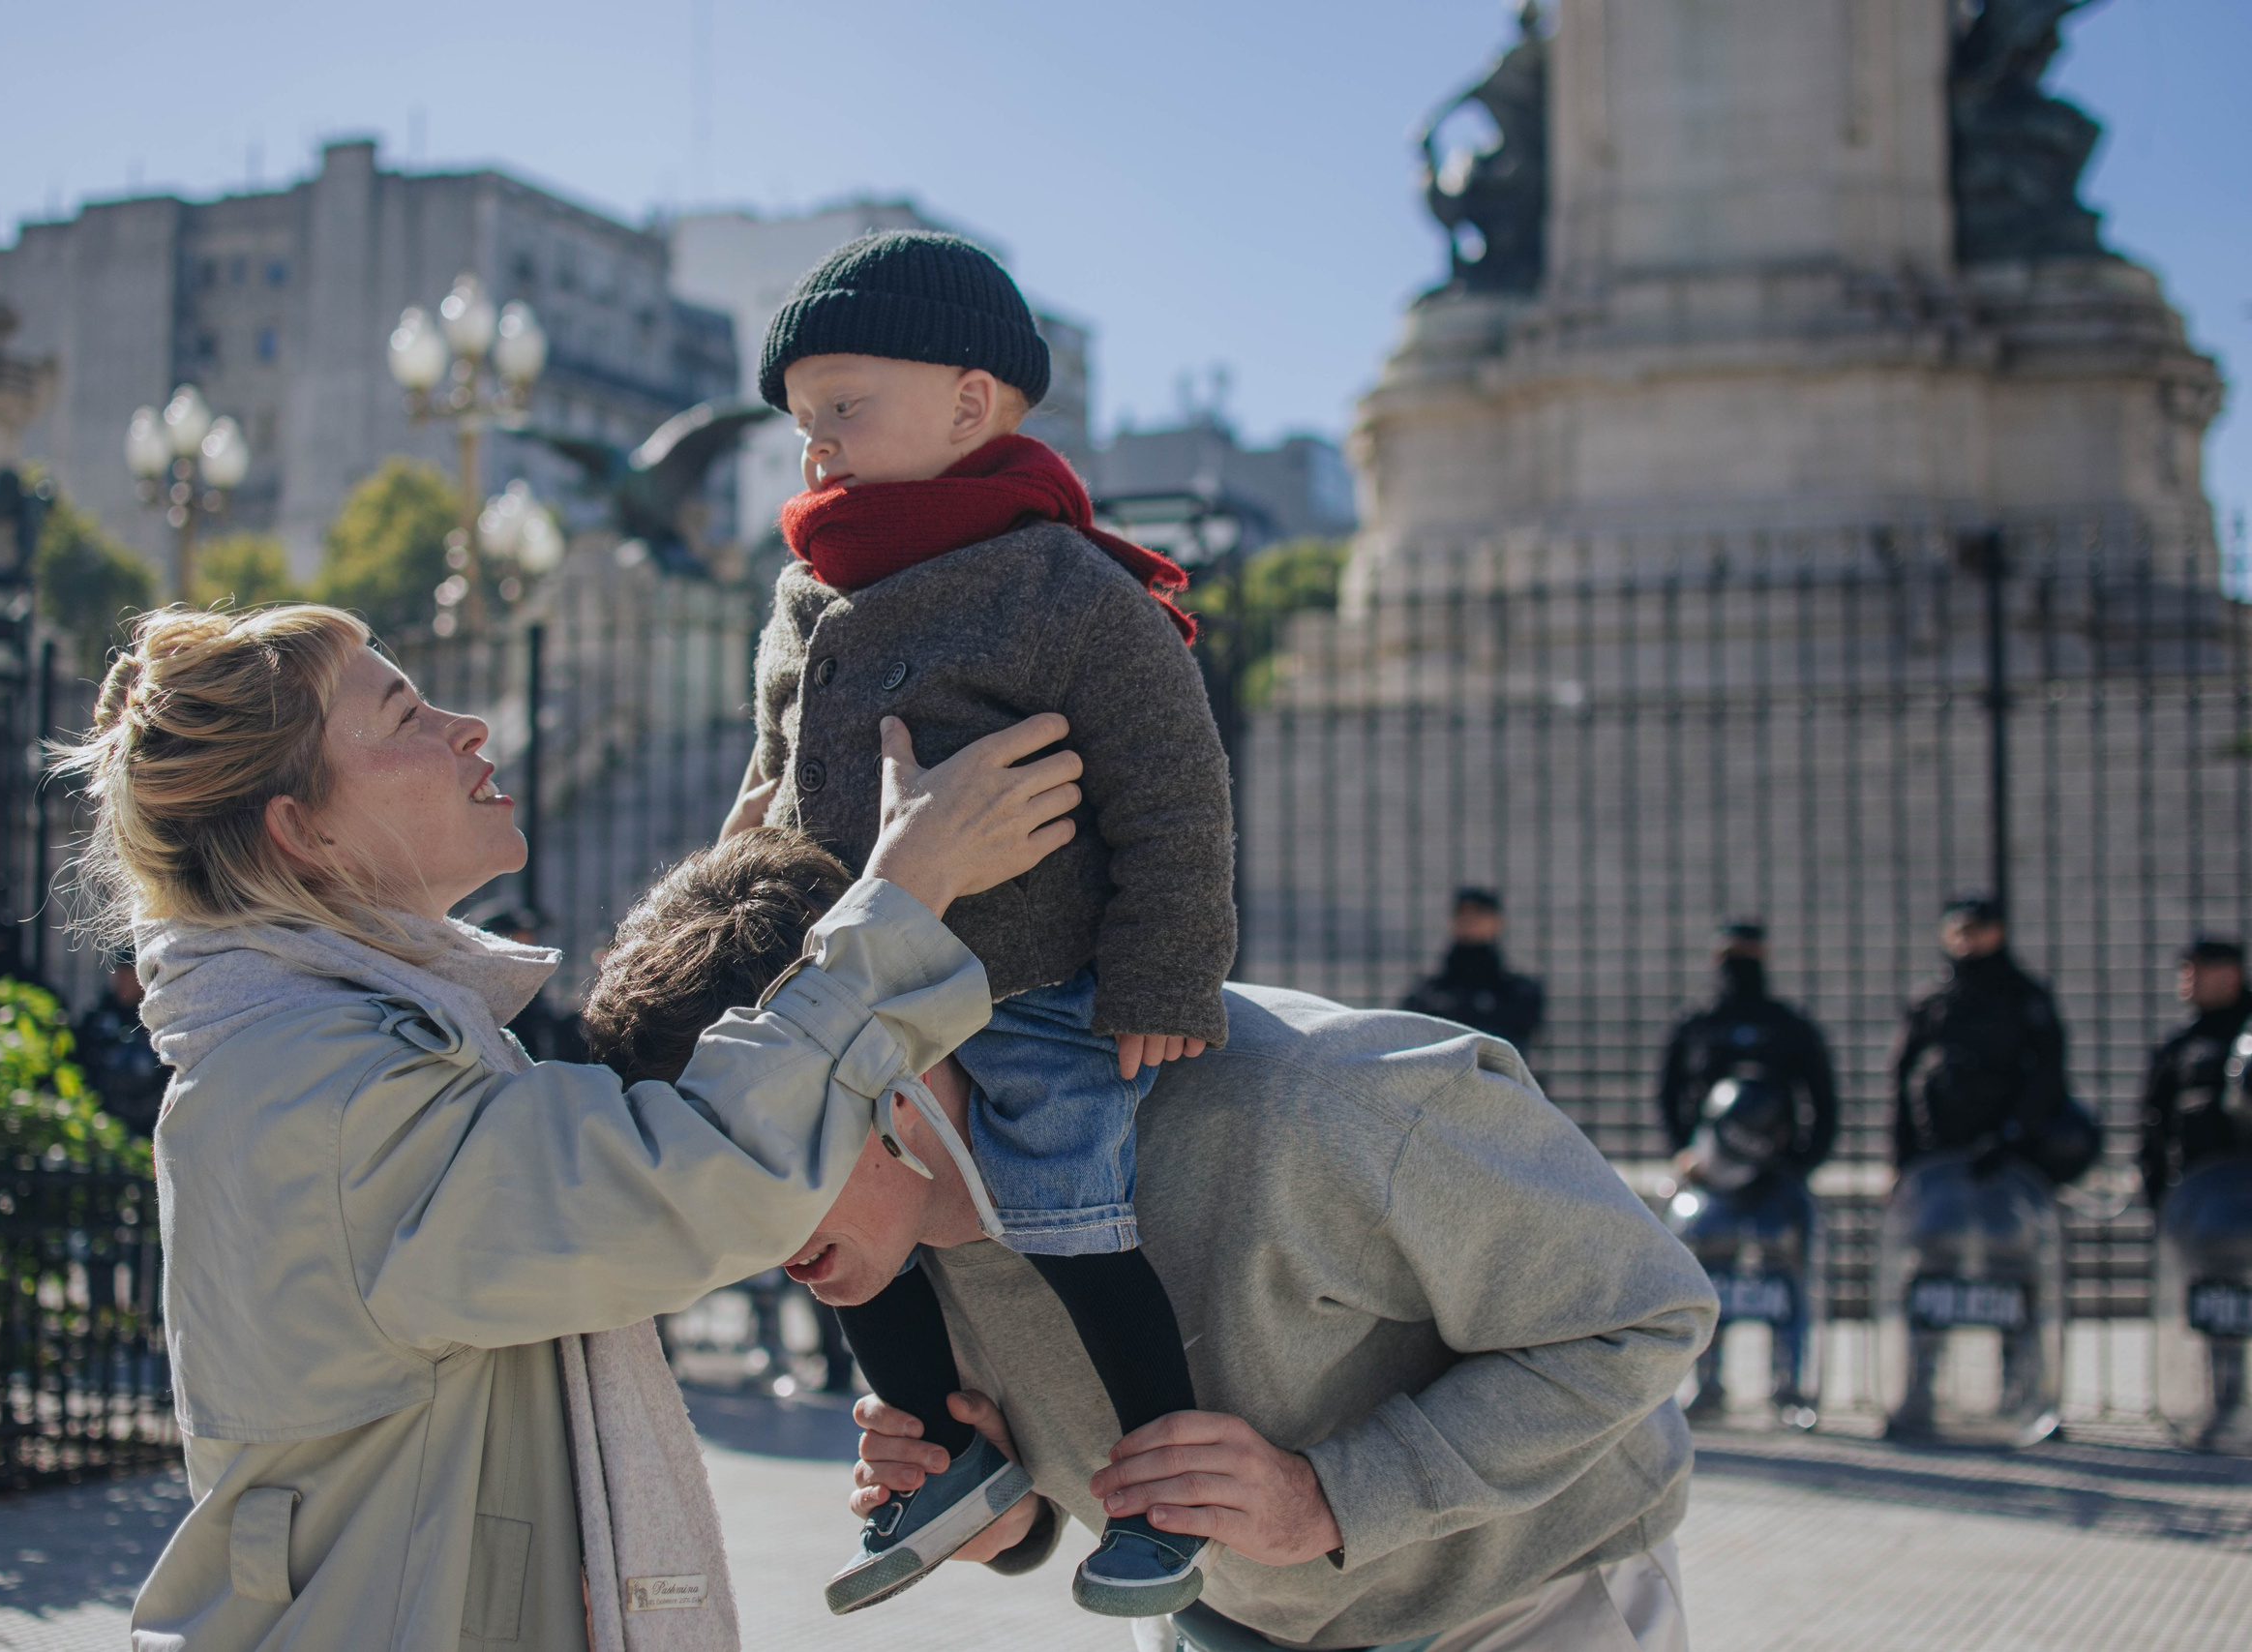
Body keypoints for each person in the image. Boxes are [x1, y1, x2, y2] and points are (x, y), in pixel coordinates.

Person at [52, 602, 1080, 1651]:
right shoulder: (319, 1093)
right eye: (406, 714)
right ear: (301, 830)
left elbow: (557, 1161)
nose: (468, 726)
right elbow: (680, 1179)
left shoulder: (320, 1053)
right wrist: (901, 901)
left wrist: (720, 933)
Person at [589, 830, 1716, 1652]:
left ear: (880, 1073)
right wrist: (1008, 1512)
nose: (735, 1225)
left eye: (751, 1156)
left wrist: (1328, 1497)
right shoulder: (876, 1231)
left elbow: (1642, 1314)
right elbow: (1087, 1481)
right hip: (1218, 1627)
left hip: (1524, 1610)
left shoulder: (1318, 1107)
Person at [731, 229, 1237, 1617]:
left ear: (970, 405)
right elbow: (778, 758)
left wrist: (1164, 974)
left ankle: (1163, 1487)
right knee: (827, 1209)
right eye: (800, 422)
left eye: (846, 408)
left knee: (1072, 1206)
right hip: (850, 973)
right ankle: (942, 1453)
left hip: (1026, 981)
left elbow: (1175, 792)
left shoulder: (1066, 586)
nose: (816, 448)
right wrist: (741, 861)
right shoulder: (810, 583)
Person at [1890, 894, 2085, 1176]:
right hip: (1938, 1140)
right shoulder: (1932, 1000)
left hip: (2010, 1145)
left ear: (1997, 932)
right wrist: (1900, 1150)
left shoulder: (2023, 996)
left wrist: (2014, 1130)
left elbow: (2048, 1068)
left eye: (1976, 930)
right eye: (1958, 932)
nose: (1966, 940)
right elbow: (1901, 1070)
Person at [1657, 919, 1839, 1181]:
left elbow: (1823, 1097)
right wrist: (1684, 1152)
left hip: (1775, 1172)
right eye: (1732, 955)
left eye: (1748, 955)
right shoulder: (1697, 1026)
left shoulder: (1788, 1025)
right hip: (1708, 1172)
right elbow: (1668, 1093)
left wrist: (1802, 1162)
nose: (1740, 965)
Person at [2139, 936, 2252, 1211]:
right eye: (2186, 968)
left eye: (2200, 969)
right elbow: (2154, 1121)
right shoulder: (2179, 1046)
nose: (2189, 976)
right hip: (2199, 1194)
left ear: (2231, 975)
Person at [1398, 887, 1545, 1051]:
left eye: (1479, 914)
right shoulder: (1427, 991)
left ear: (1497, 921)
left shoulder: (1519, 990)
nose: (1470, 920)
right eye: (1462, 914)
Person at [470, 906, 584, 1061]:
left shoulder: (528, 981)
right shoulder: (483, 988)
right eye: (518, 937)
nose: (530, 944)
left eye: (529, 937)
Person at [73, 951, 165, 1136]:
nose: (122, 978)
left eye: (129, 972)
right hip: (102, 1125)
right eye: (119, 971)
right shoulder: (98, 1018)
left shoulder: (160, 1021)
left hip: (149, 1126)